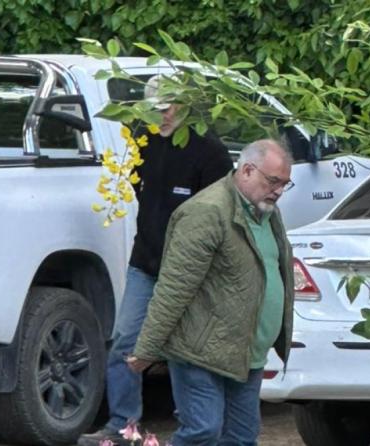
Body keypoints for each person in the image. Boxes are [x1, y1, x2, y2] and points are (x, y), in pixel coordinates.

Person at [78, 76, 233, 446]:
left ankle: (192, 426)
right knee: (124, 342)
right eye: (155, 109)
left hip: (190, 270)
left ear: (184, 104)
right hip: (145, 261)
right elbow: (135, 187)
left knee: (184, 349)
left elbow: (219, 217)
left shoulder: (210, 152)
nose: (162, 115)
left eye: (168, 107)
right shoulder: (142, 140)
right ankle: (122, 426)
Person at [127, 139, 296, 446]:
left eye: (285, 184)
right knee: (203, 431)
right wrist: (148, 347)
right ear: (246, 170)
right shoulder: (207, 212)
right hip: (199, 351)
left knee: (242, 438)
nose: (279, 191)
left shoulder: (266, 211)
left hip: (246, 352)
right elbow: (175, 286)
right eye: (273, 181)